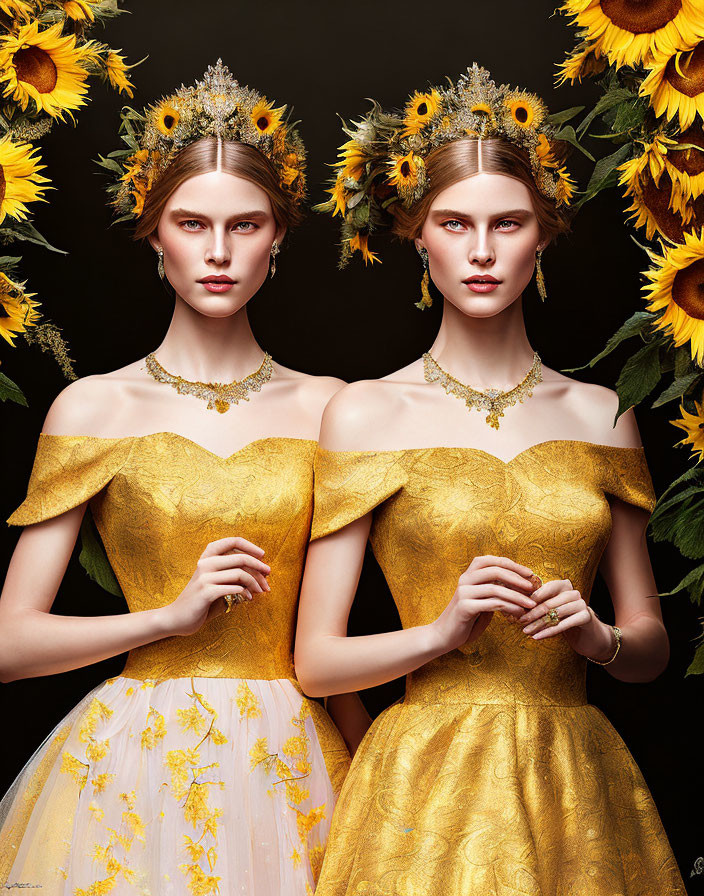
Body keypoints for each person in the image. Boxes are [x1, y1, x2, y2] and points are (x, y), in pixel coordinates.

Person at [294, 64, 687, 895]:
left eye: (507, 223)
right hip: (419, 783)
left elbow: (651, 652)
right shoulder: (365, 414)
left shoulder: (602, 413)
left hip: (573, 773)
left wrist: (599, 638)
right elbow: (317, 663)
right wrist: (441, 632)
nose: (480, 251)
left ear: (543, 235)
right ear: (417, 235)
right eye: (454, 223)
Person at [0, 60, 367, 895]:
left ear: (278, 237)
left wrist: (378, 767)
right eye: (192, 224)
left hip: (298, 760)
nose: (217, 252)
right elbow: (9, 643)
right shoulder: (93, 407)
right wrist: (167, 619)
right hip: (134, 766)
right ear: (153, 232)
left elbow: (329, 637)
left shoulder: (334, 409)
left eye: (244, 226)